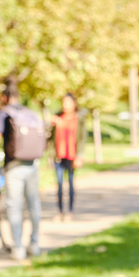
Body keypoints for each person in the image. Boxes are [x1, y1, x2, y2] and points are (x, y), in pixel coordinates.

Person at [0, 84, 43, 260]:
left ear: (3, 97)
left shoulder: (3, 114)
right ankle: (34, 244)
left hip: (14, 167)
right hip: (33, 164)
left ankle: (18, 248)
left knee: (14, 206)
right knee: (34, 205)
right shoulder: (29, 113)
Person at [50, 93, 84, 222]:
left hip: (72, 156)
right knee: (59, 184)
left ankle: (69, 211)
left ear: (74, 104)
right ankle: (59, 212)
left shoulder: (78, 119)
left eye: (68, 103)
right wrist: (51, 124)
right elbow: (50, 138)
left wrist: (79, 156)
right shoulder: (58, 117)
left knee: (70, 183)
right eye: (64, 103)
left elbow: (81, 139)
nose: (65, 105)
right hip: (59, 155)